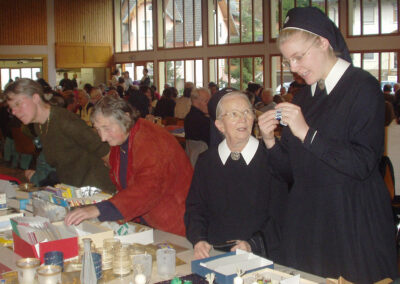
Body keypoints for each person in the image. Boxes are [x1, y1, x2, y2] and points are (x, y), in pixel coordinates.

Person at [257, 7, 397, 283]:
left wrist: (307, 133)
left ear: (323, 42)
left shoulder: (363, 87)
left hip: (351, 221)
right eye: (288, 61)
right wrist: (270, 140)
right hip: (309, 223)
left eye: (298, 57)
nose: (294, 68)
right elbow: (290, 173)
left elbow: (362, 163)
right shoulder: (305, 98)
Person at [65, 96, 193, 236]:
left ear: (125, 117)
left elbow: (147, 188)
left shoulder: (149, 140)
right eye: (98, 129)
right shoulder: (123, 137)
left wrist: (100, 209)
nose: (102, 138)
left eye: (106, 128)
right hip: (149, 220)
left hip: (174, 223)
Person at [185, 92, 287, 260]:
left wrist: (253, 244)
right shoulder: (206, 161)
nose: (243, 119)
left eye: (247, 112)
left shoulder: (271, 158)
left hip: (261, 257)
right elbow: (195, 208)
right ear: (219, 125)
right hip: (214, 255)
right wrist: (199, 239)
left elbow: (280, 216)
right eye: (234, 114)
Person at [5, 78, 115, 193]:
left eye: (18, 104)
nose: (14, 111)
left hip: (96, 191)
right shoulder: (40, 125)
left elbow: (106, 153)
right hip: (71, 190)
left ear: (35, 98)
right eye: (11, 108)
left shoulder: (64, 121)